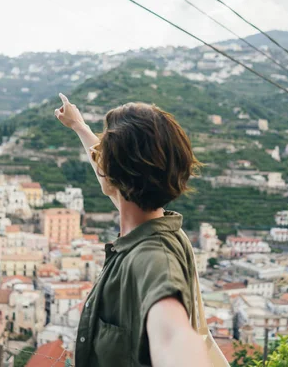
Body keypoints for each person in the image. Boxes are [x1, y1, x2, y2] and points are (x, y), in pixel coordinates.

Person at [55, 93, 209, 367]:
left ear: (112, 171)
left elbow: (174, 338)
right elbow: (111, 179)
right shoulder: (154, 223)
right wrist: (79, 126)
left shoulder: (151, 258)